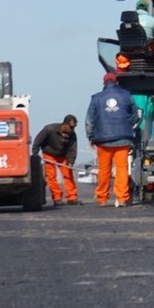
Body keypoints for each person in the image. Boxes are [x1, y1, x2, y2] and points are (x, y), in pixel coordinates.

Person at [85, 72, 140, 207]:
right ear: (116, 82)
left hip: (103, 139)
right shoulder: (127, 95)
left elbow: (89, 120)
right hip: (123, 138)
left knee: (104, 169)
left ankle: (102, 198)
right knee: (122, 168)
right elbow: (136, 115)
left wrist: (91, 136)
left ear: (104, 83)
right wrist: (128, 125)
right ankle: (122, 198)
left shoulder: (96, 98)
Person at [33, 114, 81, 206]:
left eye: (74, 127)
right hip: (49, 154)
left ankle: (72, 197)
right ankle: (57, 197)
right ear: (65, 124)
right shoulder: (49, 129)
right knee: (51, 176)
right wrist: (35, 153)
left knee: (68, 174)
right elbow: (38, 141)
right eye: (70, 127)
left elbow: (72, 150)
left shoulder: (72, 135)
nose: (72, 129)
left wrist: (70, 162)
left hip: (63, 156)